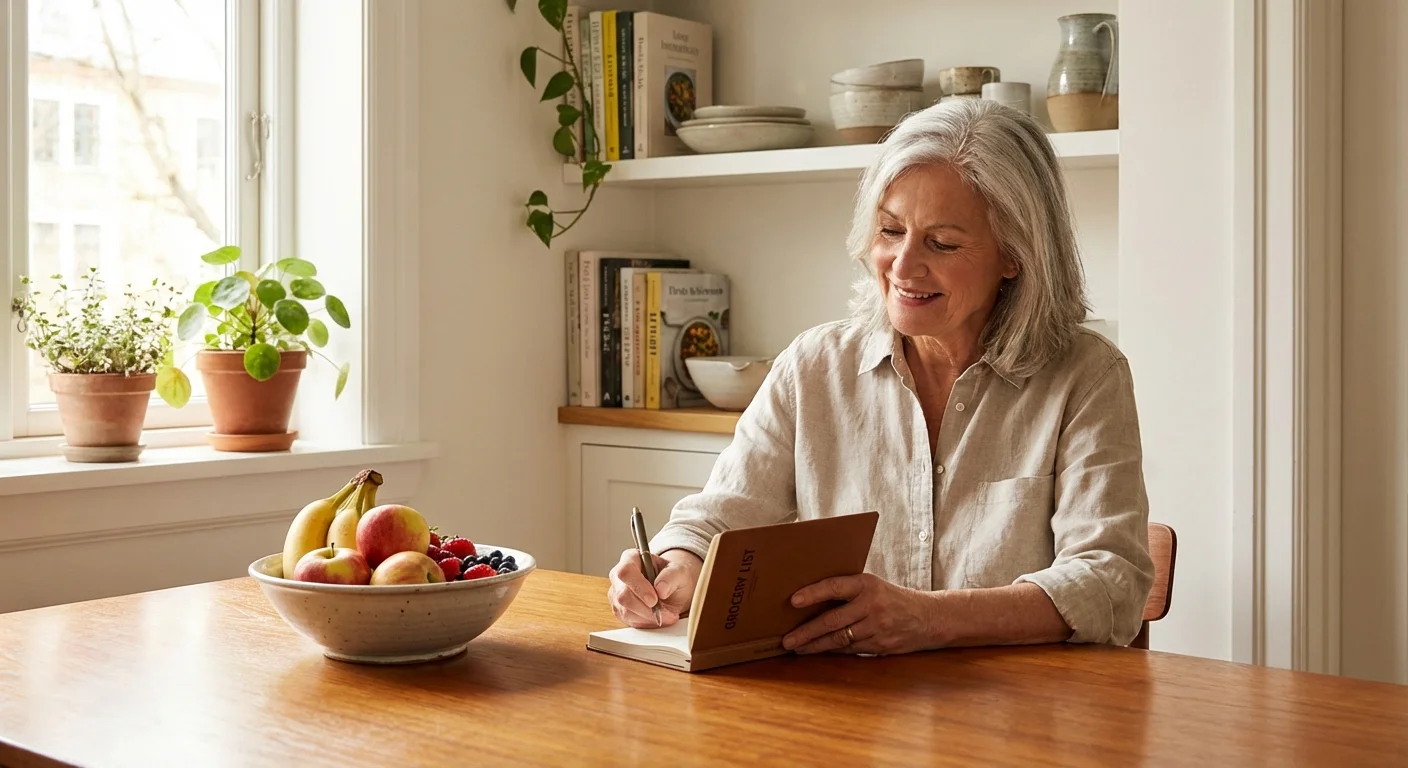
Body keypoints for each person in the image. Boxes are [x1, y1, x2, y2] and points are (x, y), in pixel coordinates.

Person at [607, 98, 1155, 655]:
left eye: (941, 243)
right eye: (890, 231)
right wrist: (674, 567)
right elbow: (717, 519)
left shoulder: (1087, 376)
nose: (903, 265)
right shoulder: (813, 366)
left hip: (1020, 715)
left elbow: (1110, 583)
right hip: (849, 713)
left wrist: (929, 618)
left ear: (1015, 254)